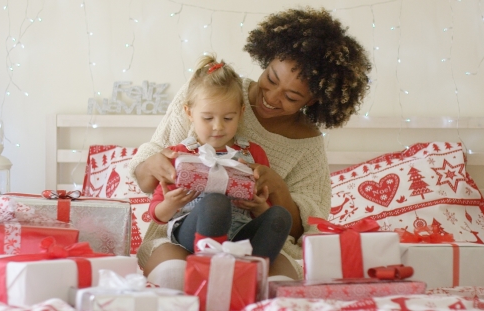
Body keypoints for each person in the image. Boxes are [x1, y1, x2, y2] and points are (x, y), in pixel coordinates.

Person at [129, 7, 371, 288]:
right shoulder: (212, 90)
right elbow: (148, 182)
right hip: (183, 234)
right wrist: (154, 164)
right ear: (266, 58)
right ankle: (215, 269)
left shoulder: (308, 145)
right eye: (270, 78)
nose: (270, 97)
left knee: (277, 286)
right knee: (173, 276)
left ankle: (238, 273)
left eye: (291, 96)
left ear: (314, 100)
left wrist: (276, 189)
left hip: (254, 240)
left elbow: (303, 229)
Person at [148, 54, 292, 266]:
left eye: (228, 118)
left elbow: (264, 205)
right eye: (208, 118)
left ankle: (250, 271)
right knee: (216, 203)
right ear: (189, 113)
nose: (218, 126)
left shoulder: (253, 154)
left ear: (241, 113)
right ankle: (211, 270)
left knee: (281, 216)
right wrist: (170, 204)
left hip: (241, 235)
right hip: (193, 232)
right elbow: (156, 215)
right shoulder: (178, 154)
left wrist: (260, 207)